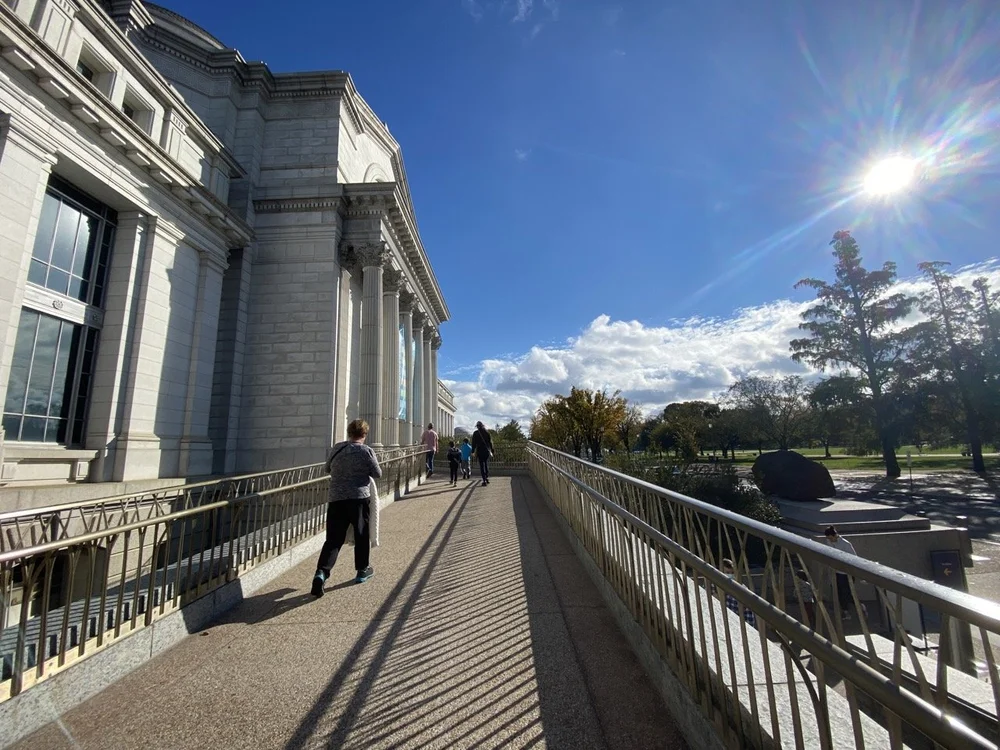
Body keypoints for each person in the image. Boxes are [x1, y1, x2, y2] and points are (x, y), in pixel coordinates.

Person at [311, 419, 381, 596]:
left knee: (333, 539)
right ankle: (362, 570)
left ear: (349, 433)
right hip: (359, 498)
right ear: (364, 434)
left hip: (336, 498)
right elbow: (377, 473)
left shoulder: (337, 448)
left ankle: (321, 573)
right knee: (361, 534)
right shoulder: (366, 451)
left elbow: (327, 468)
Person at [824, 526, 867, 620]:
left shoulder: (846, 544)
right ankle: (845, 612)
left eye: (831, 538)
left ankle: (860, 606)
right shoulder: (829, 542)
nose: (830, 540)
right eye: (828, 539)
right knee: (838, 592)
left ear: (834, 535)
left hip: (846, 573)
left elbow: (854, 558)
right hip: (836, 571)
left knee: (846, 593)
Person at [721, 558, 756, 627]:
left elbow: (745, 607)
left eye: (732, 573)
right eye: (727, 573)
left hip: (740, 624)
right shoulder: (714, 585)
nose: (730, 575)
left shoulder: (742, 588)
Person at [470, 421, 493, 486]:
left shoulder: (476, 433)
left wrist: (473, 451)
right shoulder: (487, 432)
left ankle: (484, 480)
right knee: (486, 464)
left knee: (482, 465)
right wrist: (492, 450)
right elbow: (490, 442)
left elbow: (473, 443)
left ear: (477, 426)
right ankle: (486, 477)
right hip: (486, 450)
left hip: (479, 451)